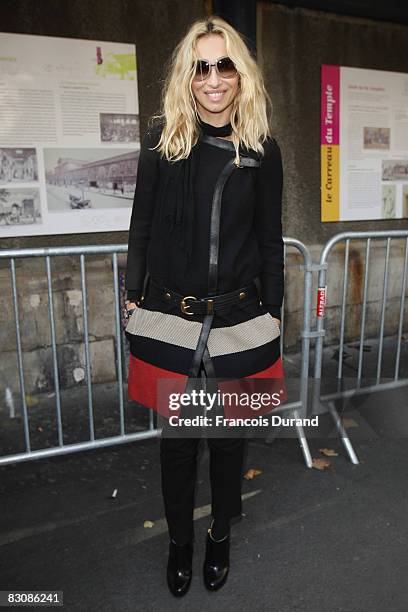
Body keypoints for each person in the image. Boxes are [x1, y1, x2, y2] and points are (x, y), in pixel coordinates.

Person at [124, 15, 284, 597]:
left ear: (239, 73)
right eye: (201, 68)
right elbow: (140, 227)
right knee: (179, 442)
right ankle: (179, 544)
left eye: (224, 66)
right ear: (187, 77)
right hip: (171, 316)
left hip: (241, 317)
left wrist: (275, 310)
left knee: (228, 437)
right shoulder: (162, 142)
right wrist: (131, 296)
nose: (213, 79)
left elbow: (270, 239)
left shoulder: (262, 150)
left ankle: (219, 534)